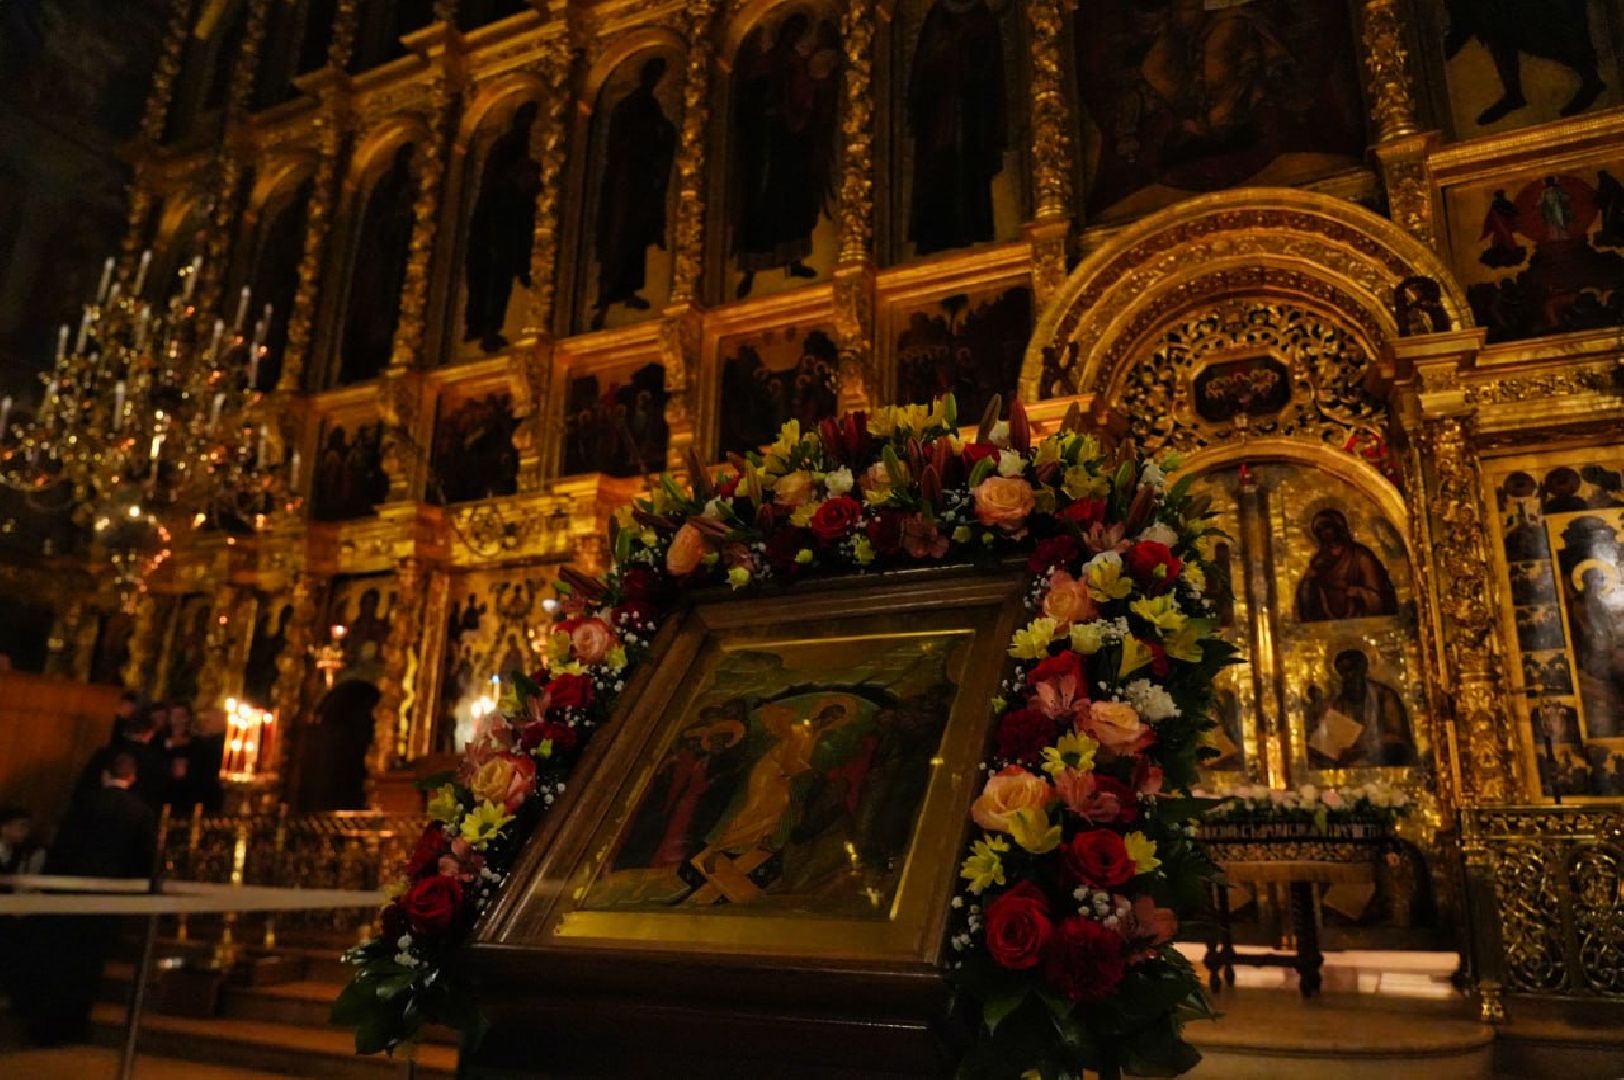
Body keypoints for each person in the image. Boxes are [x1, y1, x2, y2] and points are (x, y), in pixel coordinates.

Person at [20, 753, 157, 1045]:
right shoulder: (141, 811)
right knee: (90, 964)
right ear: (132, 778)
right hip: (110, 897)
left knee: (59, 960)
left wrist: (47, 886)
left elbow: (64, 847)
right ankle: (76, 1026)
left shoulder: (86, 803)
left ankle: (46, 1026)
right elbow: (144, 859)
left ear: (104, 776)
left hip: (70, 892)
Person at [590, 56, 676, 330]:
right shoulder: (627, 106)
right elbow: (619, 142)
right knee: (617, 234)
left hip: (640, 178)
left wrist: (663, 133)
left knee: (636, 236)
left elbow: (660, 136)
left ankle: (627, 292)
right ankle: (604, 298)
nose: (654, 79)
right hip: (623, 180)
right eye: (652, 72)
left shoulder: (652, 105)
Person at [1294, 508, 1399, 622]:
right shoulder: (1319, 560)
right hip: (1328, 623)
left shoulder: (1360, 556)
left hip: (1361, 619)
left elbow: (1379, 596)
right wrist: (1310, 582)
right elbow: (1306, 593)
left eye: (1328, 528)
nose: (1326, 534)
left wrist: (1359, 592)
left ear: (1339, 529)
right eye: (1321, 530)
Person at [78, 709, 168, 811]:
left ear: (126, 730)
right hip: (135, 816)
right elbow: (158, 794)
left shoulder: (106, 753)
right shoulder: (156, 760)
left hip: (98, 812)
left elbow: (85, 788)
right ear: (150, 733)